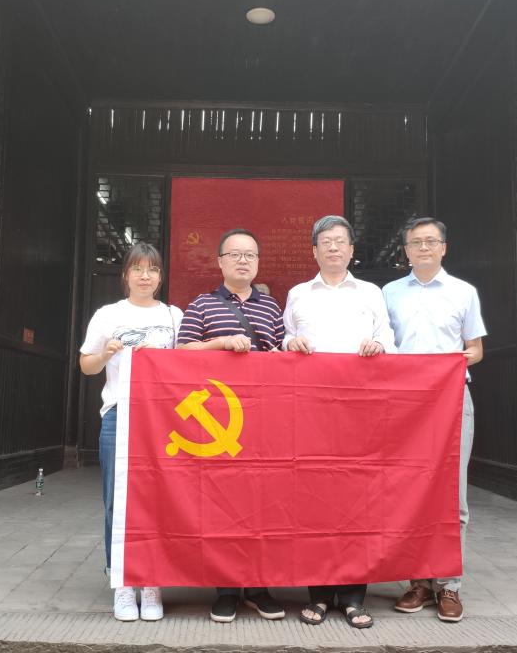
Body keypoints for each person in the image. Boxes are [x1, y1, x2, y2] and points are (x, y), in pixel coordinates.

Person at [284, 214, 395, 630]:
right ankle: (318, 594)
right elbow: (284, 339)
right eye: (325, 241)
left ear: (351, 250)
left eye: (340, 241)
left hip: (359, 411)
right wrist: (290, 342)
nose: (333, 247)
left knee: (357, 500)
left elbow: (389, 338)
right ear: (314, 251)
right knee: (314, 500)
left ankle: (352, 596)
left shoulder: (371, 292)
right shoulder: (298, 294)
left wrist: (378, 344)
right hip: (310, 411)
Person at [176, 228, 286, 623]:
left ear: (258, 263)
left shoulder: (272, 308)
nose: (243, 261)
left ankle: (257, 587)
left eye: (250, 255)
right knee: (221, 504)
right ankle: (225, 589)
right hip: (218, 424)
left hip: (263, 423)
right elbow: (180, 352)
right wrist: (220, 343)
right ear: (220, 261)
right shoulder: (202, 305)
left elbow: (281, 356)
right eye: (235, 254)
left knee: (263, 504)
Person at [382, 217, 486, 623]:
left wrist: (448, 363)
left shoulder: (464, 292)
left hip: (450, 399)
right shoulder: (389, 293)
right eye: (416, 242)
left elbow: (475, 349)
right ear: (405, 250)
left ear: (444, 247)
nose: (423, 248)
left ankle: (448, 585)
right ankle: (418, 582)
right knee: (410, 492)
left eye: (431, 241)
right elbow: (383, 343)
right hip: (404, 404)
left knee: (452, 494)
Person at [79, 242, 183, 622]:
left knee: (158, 499)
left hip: (162, 420)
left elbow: (186, 365)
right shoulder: (108, 315)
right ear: (125, 275)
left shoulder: (174, 315)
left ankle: (151, 582)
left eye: (152, 269)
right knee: (116, 500)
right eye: (137, 269)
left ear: (160, 276)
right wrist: (106, 353)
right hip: (119, 414)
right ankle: (123, 583)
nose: (144, 276)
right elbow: (87, 366)